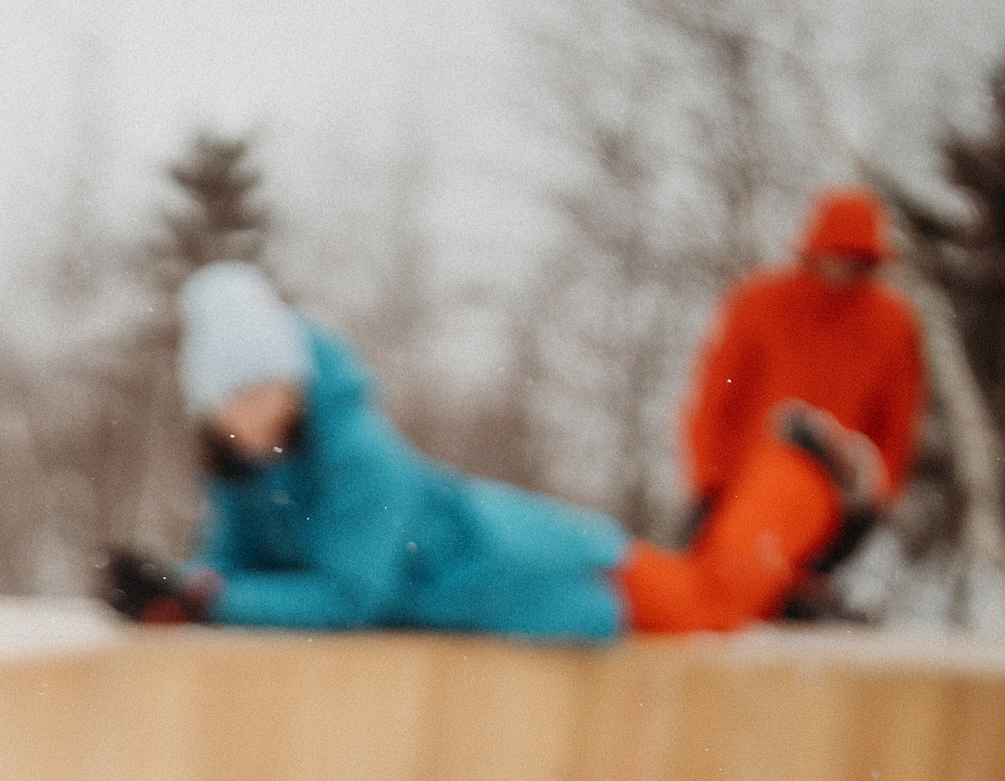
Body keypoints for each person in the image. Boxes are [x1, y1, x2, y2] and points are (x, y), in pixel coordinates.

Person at [102, 260, 633, 640]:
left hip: (554, 572)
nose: (257, 412)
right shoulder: (243, 469)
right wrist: (180, 590)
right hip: (500, 607)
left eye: (270, 390)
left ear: (297, 384)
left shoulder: (358, 455)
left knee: (706, 601)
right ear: (211, 409)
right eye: (238, 398)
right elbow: (237, 568)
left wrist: (209, 600)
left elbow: (350, 599)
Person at [620, 186, 922, 632]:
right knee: (707, 605)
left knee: (758, 614)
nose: (841, 268)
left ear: (871, 260)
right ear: (813, 250)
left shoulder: (893, 323)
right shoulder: (758, 302)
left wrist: (873, 506)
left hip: (828, 499)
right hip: (743, 490)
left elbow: (895, 428)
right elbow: (712, 401)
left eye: (854, 258)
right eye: (833, 254)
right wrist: (708, 486)